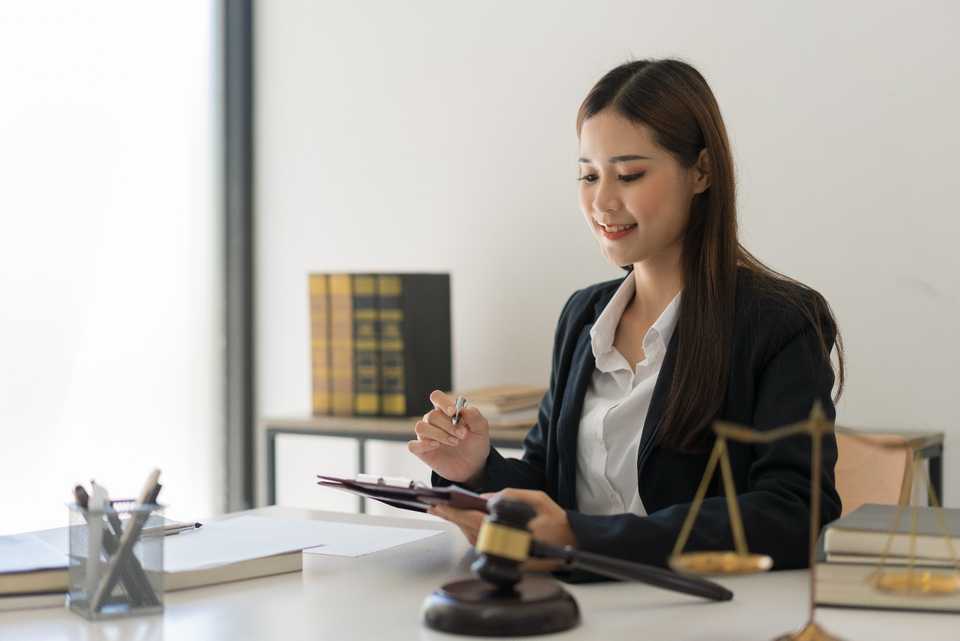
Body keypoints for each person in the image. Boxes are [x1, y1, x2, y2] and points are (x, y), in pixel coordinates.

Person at [407, 58, 845, 575]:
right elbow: (552, 482)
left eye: (630, 174)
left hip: (707, 616)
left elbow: (793, 512)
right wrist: (477, 468)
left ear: (701, 171)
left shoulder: (778, 322)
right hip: (576, 603)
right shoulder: (583, 316)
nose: (603, 201)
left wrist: (586, 536)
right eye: (588, 176)